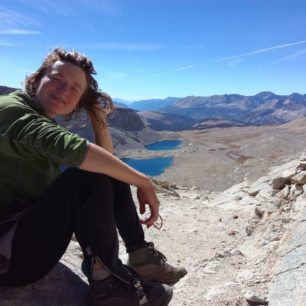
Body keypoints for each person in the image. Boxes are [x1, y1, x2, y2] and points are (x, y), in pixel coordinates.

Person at [0, 48, 187, 306]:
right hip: (9, 257)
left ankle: (140, 257)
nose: (64, 90)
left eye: (75, 89)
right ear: (37, 78)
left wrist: (97, 116)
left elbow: (105, 163)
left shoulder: (40, 117)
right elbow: (77, 151)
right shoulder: (10, 109)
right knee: (91, 175)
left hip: (18, 240)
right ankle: (109, 287)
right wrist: (144, 181)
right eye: (56, 79)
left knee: (106, 170)